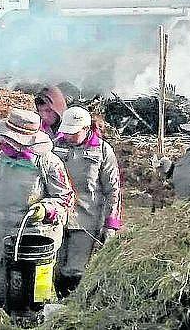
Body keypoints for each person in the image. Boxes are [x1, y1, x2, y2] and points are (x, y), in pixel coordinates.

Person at [0, 108, 75, 305]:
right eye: (4, 138)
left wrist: (46, 209)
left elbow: (65, 199)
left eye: (10, 141)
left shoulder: (49, 164)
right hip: (1, 240)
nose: (3, 143)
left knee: (33, 299)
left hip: (35, 243)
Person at [51, 106, 123, 297]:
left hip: (87, 220)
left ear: (86, 128)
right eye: (66, 132)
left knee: (74, 270)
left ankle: (70, 305)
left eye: (73, 133)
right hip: (57, 218)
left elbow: (113, 190)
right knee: (53, 268)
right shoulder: (54, 146)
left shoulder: (102, 150)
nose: (68, 136)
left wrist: (111, 224)